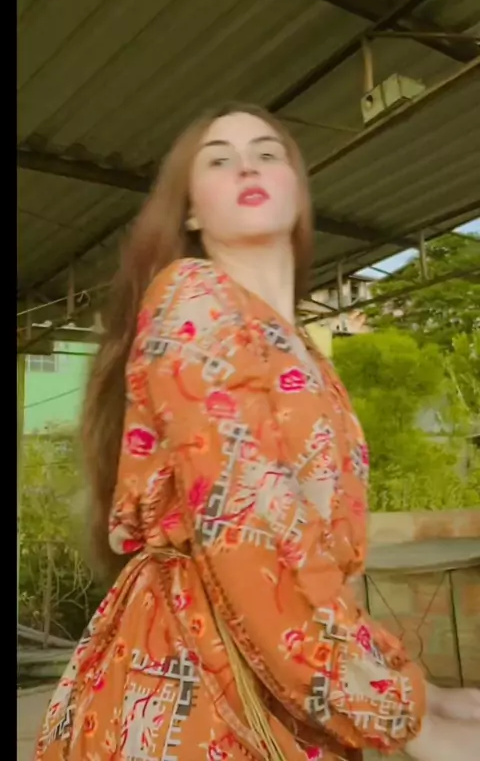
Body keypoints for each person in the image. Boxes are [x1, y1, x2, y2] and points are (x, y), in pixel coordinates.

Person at [35, 105, 480, 761]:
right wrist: (410, 720)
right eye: (219, 159)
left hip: (283, 679)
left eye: (268, 153)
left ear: (298, 191)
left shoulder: (304, 350)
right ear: (191, 211)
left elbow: (312, 557)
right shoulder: (192, 293)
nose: (247, 165)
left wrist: (420, 692)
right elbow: (248, 524)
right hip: (203, 680)